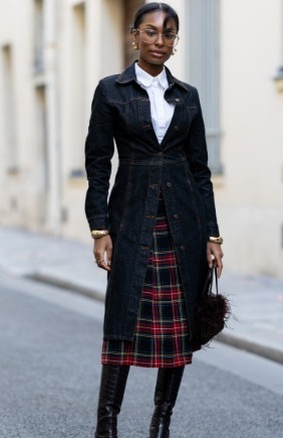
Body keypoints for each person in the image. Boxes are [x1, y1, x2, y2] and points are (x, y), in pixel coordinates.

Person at [84, 3, 223, 437]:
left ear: (175, 42)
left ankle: (161, 422)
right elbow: (98, 163)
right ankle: (106, 424)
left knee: (178, 329)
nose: (159, 41)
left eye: (169, 34)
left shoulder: (188, 95)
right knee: (123, 323)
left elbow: (200, 169)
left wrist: (213, 234)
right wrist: (100, 228)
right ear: (134, 36)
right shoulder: (110, 91)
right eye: (151, 32)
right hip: (130, 221)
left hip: (184, 225)